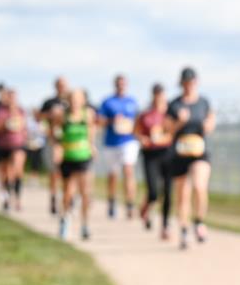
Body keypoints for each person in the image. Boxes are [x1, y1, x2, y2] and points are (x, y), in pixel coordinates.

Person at [166, 67, 214, 250]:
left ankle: (199, 222)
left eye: (192, 82)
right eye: (186, 82)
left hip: (199, 151)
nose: (189, 85)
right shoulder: (174, 104)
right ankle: (184, 229)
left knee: (200, 187)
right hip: (180, 153)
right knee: (182, 195)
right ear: (181, 83)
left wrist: (207, 124)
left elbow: (210, 123)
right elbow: (167, 130)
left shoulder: (203, 103)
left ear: (196, 82)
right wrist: (179, 122)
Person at [54, 88, 96, 241]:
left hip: (84, 156)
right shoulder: (62, 116)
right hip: (68, 156)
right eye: (72, 99)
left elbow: (91, 129)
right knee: (68, 192)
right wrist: (57, 148)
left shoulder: (88, 114)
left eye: (78, 99)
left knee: (85, 192)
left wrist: (92, 145)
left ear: (83, 101)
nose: (75, 102)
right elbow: (56, 133)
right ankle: (65, 220)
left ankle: (85, 224)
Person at [135, 83, 175, 239]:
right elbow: (136, 131)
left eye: (161, 94)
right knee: (153, 191)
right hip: (150, 154)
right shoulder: (145, 114)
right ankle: (146, 207)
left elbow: (173, 132)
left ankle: (165, 225)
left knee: (168, 191)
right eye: (156, 94)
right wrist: (143, 139)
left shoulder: (169, 114)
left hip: (167, 153)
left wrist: (164, 137)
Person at [97, 74, 140, 219]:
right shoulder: (107, 102)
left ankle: (130, 203)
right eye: (119, 84)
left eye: (123, 84)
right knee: (113, 175)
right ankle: (112, 200)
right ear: (115, 85)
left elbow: (138, 120)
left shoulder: (132, 101)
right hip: (111, 142)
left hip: (129, 141)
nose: (121, 86)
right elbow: (99, 121)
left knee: (128, 170)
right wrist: (111, 120)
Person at [0, 88, 28, 212]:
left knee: (17, 169)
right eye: (10, 97)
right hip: (4, 145)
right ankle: (7, 198)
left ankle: (18, 199)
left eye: (14, 97)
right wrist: (6, 124)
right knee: (5, 173)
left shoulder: (21, 110)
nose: (12, 100)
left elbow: (24, 127)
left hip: (18, 144)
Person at [38, 76, 70, 215]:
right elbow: (39, 118)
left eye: (64, 85)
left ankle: (68, 198)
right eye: (59, 85)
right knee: (55, 171)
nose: (61, 87)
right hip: (54, 140)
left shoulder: (70, 102)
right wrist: (50, 115)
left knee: (68, 173)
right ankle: (53, 197)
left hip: (68, 141)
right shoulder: (49, 102)